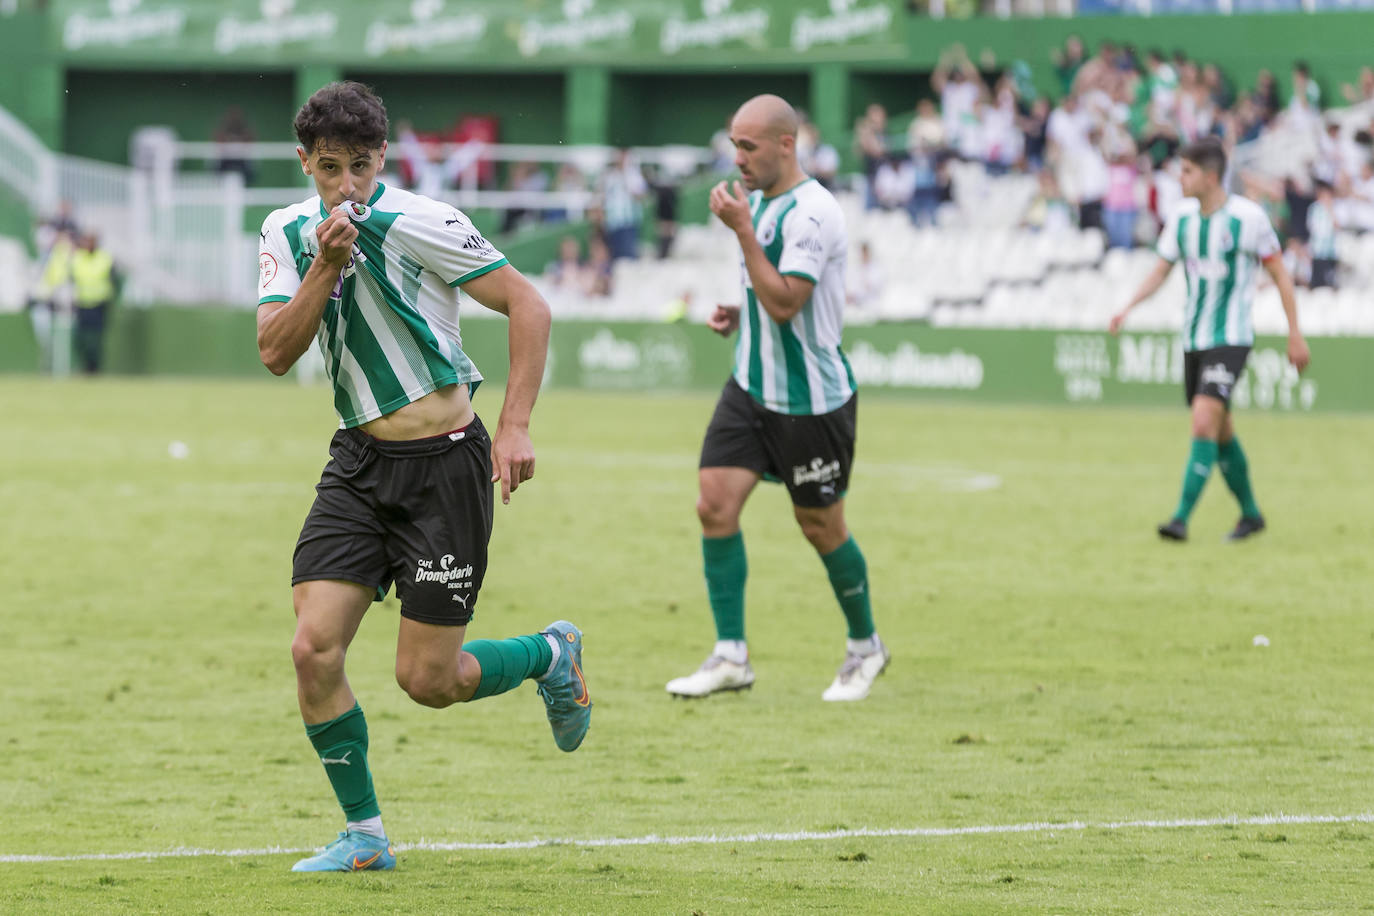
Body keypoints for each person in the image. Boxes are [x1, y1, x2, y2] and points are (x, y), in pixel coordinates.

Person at [254, 82, 590, 873]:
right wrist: (322, 272)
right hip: (359, 464)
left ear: (383, 159)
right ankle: (365, 836)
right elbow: (274, 352)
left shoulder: (422, 221)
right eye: (329, 168)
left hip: (445, 465)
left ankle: (550, 654)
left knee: (429, 681)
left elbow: (529, 306)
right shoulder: (287, 231)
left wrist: (512, 424)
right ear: (304, 163)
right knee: (313, 650)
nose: (345, 186)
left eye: (360, 168)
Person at [665, 94, 889, 703]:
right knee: (714, 505)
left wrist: (740, 233)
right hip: (750, 385)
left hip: (810, 401)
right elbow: (770, 295)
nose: (735, 157)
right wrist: (741, 311)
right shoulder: (761, 202)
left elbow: (789, 299)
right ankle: (730, 654)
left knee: (819, 525)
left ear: (785, 145)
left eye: (747, 146)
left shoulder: (814, 212)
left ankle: (866, 647)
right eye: (732, 144)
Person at [1109, 138, 1310, 543]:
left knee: (1203, 421)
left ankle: (1180, 519)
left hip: (1231, 338)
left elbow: (1280, 275)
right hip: (1194, 339)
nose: (1179, 178)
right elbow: (1161, 270)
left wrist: (1295, 333)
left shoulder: (1248, 218)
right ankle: (1251, 515)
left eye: (1187, 171)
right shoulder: (1181, 218)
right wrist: (1127, 306)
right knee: (1220, 432)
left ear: (1211, 176)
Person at [69, 232, 121, 374]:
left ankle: (94, 368)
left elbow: (115, 280)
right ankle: (84, 366)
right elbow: (71, 279)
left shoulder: (105, 258)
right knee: (80, 338)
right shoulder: (77, 258)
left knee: (96, 340)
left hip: (99, 304)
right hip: (81, 303)